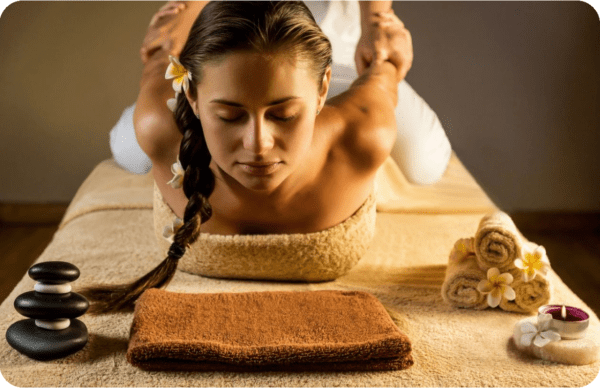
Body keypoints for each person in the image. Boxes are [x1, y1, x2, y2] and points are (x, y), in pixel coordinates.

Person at [83, 0, 444, 314]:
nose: (258, 146)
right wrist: (177, 23)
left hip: (324, 40)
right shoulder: (158, 125)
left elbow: (386, 65)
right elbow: (160, 55)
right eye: (229, 116)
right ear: (191, 97)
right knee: (129, 151)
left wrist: (379, 27)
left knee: (423, 161)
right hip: (227, 31)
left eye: (283, 116)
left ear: (321, 92)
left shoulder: (363, 132)